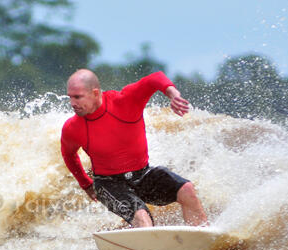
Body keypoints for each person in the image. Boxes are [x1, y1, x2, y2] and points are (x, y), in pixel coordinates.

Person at [60, 69, 208, 228]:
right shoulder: (72, 128)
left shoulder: (125, 101)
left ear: (95, 93)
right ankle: (147, 249)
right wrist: (86, 184)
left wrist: (173, 94)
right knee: (143, 220)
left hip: (143, 175)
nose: (72, 103)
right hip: (109, 184)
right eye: (70, 97)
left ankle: (202, 242)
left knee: (187, 190)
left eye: (77, 97)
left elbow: (154, 78)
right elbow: (69, 155)